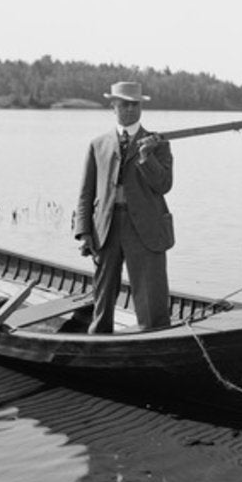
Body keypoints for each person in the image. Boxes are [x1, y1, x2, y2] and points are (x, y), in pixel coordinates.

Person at [74, 81, 174, 333]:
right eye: (124, 104)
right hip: (106, 228)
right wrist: (84, 232)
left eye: (134, 105)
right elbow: (86, 193)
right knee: (103, 291)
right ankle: (98, 340)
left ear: (140, 107)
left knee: (151, 293)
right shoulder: (98, 144)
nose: (129, 109)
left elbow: (163, 185)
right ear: (113, 107)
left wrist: (146, 157)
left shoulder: (159, 143)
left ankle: (154, 337)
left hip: (146, 228)